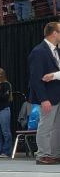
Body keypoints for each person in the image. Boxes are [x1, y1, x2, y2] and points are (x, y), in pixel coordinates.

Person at [28, 22, 60, 165]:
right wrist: (43, 99)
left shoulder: (57, 51)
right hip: (48, 96)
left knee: (57, 127)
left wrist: (54, 76)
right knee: (46, 126)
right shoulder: (39, 51)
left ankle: (54, 154)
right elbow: (35, 79)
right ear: (54, 33)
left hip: (57, 95)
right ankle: (43, 155)